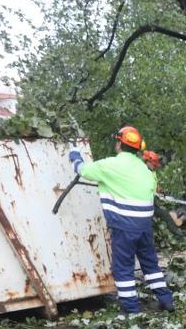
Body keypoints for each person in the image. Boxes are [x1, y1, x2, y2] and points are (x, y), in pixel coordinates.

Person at [68, 126, 174, 314]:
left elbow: (83, 170)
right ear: (139, 147)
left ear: (119, 144)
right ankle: (166, 300)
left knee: (123, 268)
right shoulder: (145, 169)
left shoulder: (110, 165)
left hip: (124, 226)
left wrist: (75, 155)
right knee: (150, 264)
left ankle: (131, 310)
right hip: (144, 226)